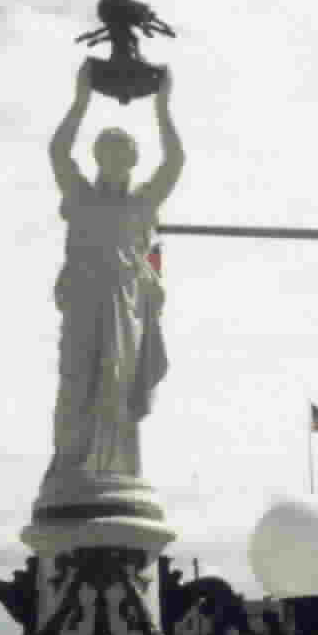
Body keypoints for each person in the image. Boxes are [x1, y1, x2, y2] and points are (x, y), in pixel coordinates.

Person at [43, 58, 184, 483]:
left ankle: (114, 472)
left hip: (124, 311)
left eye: (123, 157)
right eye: (108, 156)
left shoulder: (140, 205)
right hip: (84, 305)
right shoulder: (81, 196)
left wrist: (163, 109)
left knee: (117, 390)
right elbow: (57, 152)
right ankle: (69, 467)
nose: (115, 164)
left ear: (132, 162)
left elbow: (174, 162)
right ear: (99, 159)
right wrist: (80, 101)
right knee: (74, 384)